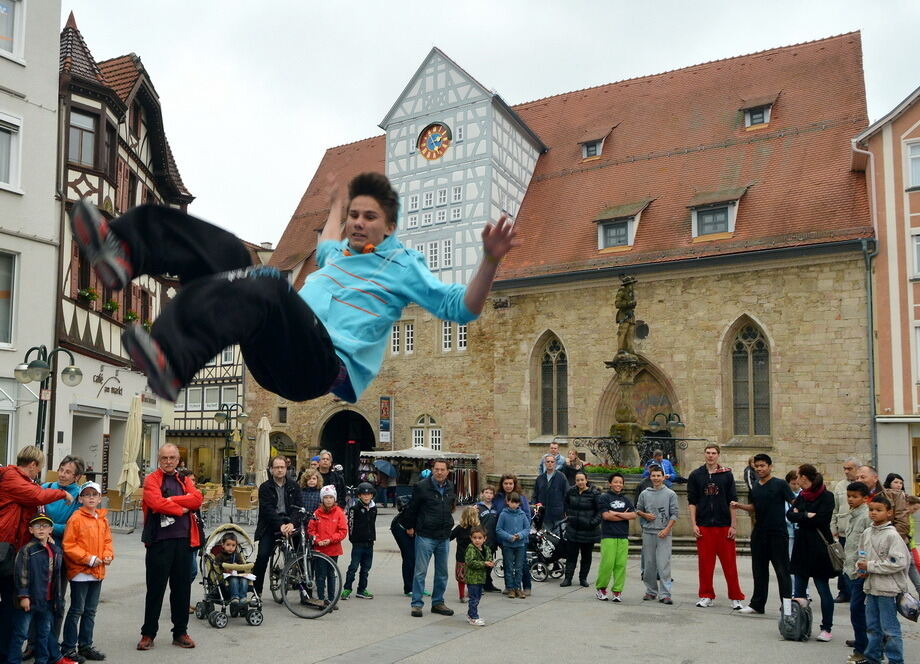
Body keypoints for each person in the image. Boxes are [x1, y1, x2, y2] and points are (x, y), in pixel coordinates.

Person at [69, 172, 517, 423]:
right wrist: (339, 200)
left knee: (271, 282)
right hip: (273, 352)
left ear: (390, 226)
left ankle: (172, 358)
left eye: (370, 218)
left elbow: (462, 308)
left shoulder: (404, 266)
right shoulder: (336, 254)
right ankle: (124, 250)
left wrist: (491, 260)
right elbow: (329, 234)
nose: (358, 224)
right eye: (355, 217)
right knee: (230, 254)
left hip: (322, 366)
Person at [0, 446, 73, 660]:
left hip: (13, 549)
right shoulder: (13, 478)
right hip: (5, 549)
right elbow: (37, 495)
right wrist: (63, 493)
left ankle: (10, 652)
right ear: (32, 465)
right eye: (38, 468)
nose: (38, 473)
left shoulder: (18, 479)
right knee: (10, 605)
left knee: (11, 606)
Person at [137, 443, 203, 651]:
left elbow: (197, 499)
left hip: (183, 541)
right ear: (159, 459)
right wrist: (182, 508)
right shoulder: (151, 479)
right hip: (159, 542)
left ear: (178, 460)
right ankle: (148, 634)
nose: (168, 461)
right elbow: (155, 503)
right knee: (155, 590)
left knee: (182, 590)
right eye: (164, 458)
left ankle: (180, 632)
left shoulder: (183, 479)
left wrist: (172, 500)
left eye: (172, 458)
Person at [731, 453, 795, 615]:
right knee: (759, 570)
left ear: (770, 467)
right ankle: (757, 604)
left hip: (778, 533)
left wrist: (805, 514)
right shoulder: (756, 486)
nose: (759, 469)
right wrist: (739, 506)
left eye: (762, 466)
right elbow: (754, 506)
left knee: (782, 571)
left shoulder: (780, 484)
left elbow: (794, 502)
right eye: (757, 466)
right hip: (759, 533)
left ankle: (787, 606)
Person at [8, 514, 73, 664]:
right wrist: (24, 596)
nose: (41, 528)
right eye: (37, 526)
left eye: (45, 526)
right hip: (29, 600)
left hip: (47, 601)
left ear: (51, 529)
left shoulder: (56, 550)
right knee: (20, 633)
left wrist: (57, 599)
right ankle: (13, 660)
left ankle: (42, 660)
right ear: (31, 530)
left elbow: (57, 577)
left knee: (44, 633)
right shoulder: (27, 550)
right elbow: (21, 574)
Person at [686, 444, 744, 609]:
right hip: (704, 526)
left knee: (730, 564)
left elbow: (732, 501)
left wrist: (733, 525)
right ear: (704, 455)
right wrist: (694, 524)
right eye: (708, 453)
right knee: (705, 564)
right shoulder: (696, 475)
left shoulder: (726, 474)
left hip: (724, 525)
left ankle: (735, 597)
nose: (711, 456)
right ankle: (706, 595)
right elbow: (692, 502)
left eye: (713, 453)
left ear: (718, 455)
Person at [60, 482, 112, 663]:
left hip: (97, 571)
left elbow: (107, 542)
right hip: (80, 571)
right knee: (77, 610)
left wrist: (107, 555)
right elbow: (69, 545)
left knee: (90, 611)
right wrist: (88, 559)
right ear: (80, 498)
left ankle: (86, 645)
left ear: (99, 498)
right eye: (87, 494)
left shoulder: (102, 519)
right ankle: (68, 647)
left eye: (94, 494)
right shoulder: (76, 518)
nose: (91, 497)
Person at [856, 494, 911, 664]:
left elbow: (898, 562)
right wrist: (861, 568)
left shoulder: (892, 536)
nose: (873, 513)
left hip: (888, 589)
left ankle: (896, 660)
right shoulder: (866, 533)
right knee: (872, 627)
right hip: (871, 586)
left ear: (889, 513)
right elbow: (862, 554)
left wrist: (870, 566)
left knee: (890, 628)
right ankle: (873, 657)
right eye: (871, 509)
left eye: (878, 510)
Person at [787, 463, 836, 642]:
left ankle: (826, 628)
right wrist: (806, 515)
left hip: (819, 547)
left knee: (823, 589)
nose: (796, 479)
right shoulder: (802, 495)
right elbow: (790, 515)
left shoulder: (827, 496)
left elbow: (822, 519)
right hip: (802, 546)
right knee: (799, 591)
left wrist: (802, 515)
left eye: (798, 476)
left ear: (804, 478)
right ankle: (799, 625)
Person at [402, 459, 456, 617]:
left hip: (443, 535)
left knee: (442, 572)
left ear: (447, 471)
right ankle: (417, 604)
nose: (439, 472)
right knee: (420, 572)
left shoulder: (450, 486)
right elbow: (413, 508)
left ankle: (438, 602)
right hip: (425, 535)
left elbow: (451, 505)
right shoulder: (422, 486)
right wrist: (410, 526)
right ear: (433, 470)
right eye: (437, 469)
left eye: (442, 469)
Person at [252, 456, 303, 597]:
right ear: (271, 469)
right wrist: (280, 525)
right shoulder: (265, 487)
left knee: (302, 553)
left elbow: (298, 508)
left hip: (290, 524)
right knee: (262, 556)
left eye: (282, 467)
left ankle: (306, 591)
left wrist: (292, 523)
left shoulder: (294, 486)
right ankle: (256, 592)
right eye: (277, 467)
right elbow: (267, 510)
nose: (280, 470)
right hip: (270, 525)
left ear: (286, 469)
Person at [635, 466, 678, 604]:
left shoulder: (670, 494)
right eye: (653, 476)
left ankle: (665, 594)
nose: (656, 478)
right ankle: (651, 591)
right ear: (650, 477)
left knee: (663, 564)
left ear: (663, 477)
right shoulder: (645, 494)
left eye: (658, 475)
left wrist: (667, 529)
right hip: (648, 532)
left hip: (663, 533)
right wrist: (645, 515)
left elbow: (674, 514)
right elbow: (638, 510)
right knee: (649, 564)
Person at [842, 481, 872, 664]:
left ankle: (862, 649)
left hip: (861, 571)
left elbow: (868, 544)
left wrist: (864, 566)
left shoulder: (867, 516)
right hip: (850, 569)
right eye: (849, 496)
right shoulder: (853, 515)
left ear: (865, 498)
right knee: (859, 610)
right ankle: (868, 643)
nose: (851, 500)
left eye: (855, 497)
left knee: (857, 610)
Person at [594, 472, 636, 601]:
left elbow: (633, 515)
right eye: (616, 482)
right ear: (610, 483)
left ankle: (617, 591)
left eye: (620, 482)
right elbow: (606, 516)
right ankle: (601, 588)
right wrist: (623, 515)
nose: (618, 484)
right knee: (607, 563)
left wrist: (615, 513)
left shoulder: (626, 499)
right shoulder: (604, 498)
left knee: (620, 565)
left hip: (623, 536)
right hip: (608, 535)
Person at [308, 486, 347, 609]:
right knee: (320, 575)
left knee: (331, 574)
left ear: (334, 498)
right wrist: (318, 540)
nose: (328, 500)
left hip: (333, 549)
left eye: (331, 497)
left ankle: (331, 600)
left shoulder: (339, 512)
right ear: (322, 499)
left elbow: (343, 531)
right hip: (320, 549)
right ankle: (321, 600)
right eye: (326, 497)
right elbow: (311, 529)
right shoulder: (317, 513)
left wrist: (330, 540)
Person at [494, 474, 532, 596]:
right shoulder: (498, 498)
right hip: (505, 538)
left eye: (511, 483)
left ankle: (525, 586)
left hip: (520, 539)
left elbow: (527, 517)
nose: (508, 486)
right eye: (506, 483)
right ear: (502, 484)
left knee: (522, 563)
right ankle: (509, 587)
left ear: (514, 484)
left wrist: (519, 534)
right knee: (508, 563)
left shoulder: (521, 498)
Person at [561, 470, 600, 588]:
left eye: (582, 480)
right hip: (573, 528)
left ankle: (583, 578)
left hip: (589, 530)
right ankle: (568, 578)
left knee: (586, 556)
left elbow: (600, 511)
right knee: (571, 556)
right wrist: (569, 517)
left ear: (586, 480)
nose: (580, 482)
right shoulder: (571, 491)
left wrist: (592, 523)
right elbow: (565, 505)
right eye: (578, 480)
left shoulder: (594, 493)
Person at [832, 457, 862, 603]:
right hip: (843, 531)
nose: (846, 471)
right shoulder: (840, 486)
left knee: (856, 561)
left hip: (859, 532)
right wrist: (833, 527)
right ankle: (843, 591)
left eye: (849, 468)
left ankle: (856, 592)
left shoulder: (863, 486)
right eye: (844, 468)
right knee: (842, 562)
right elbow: (835, 508)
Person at [341, 482, 377, 600]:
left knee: (366, 568)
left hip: (369, 542)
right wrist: (353, 539)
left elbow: (372, 524)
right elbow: (350, 524)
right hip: (358, 543)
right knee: (353, 566)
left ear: (372, 495)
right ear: (359, 496)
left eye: (369, 494)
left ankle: (361, 589)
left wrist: (372, 537)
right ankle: (347, 588)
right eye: (363, 494)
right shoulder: (354, 508)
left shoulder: (373, 508)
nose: (366, 497)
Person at [855, 466, 909, 544]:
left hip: (888, 544)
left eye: (862, 477)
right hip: (863, 545)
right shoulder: (855, 498)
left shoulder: (894, 495)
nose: (859, 480)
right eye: (857, 478)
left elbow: (902, 523)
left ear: (875, 478)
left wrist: (888, 541)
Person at [213, 532, 252, 613]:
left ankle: (243, 597)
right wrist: (225, 569)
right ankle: (235, 597)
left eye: (233, 545)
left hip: (237, 575)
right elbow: (217, 566)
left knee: (244, 580)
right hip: (226, 578)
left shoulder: (237, 555)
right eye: (228, 545)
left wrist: (237, 566)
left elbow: (241, 566)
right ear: (223, 545)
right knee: (234, 579)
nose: (231, 547)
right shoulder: (219, 556)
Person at [463, 527, 494, 626]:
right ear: (471, 538)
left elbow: (489, 557)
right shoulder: (471, 549)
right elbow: (470, 562)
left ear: (485, 539)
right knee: (474, 598)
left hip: (481, 578)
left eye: (480, 538)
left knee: (478, 597)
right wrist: (484, 563)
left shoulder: (486, 548)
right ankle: (473, 617)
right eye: (475, 538)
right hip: (472, 578)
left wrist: (490, 562)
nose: (477, 540)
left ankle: (470, 614)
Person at [450, 507, 480, 602]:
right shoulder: (477, 529)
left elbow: (449, 536)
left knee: (461, 577)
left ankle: (462, 596)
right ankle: (471, 593)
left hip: (461, 556)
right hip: (474, 556)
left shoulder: (459, 528)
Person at [532, 454, 568, 530]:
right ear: (545, 463)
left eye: (552, 461)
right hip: (543, 514)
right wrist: (535, 509)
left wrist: (566, 510)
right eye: (548, 461)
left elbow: (566, 494)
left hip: (557, 514)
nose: (550, 463)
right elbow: (535, 495)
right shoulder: (540, 478)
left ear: (555, 463)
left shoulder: (561, 477)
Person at [474, 486, 500, 592]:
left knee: (489, 563)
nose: (488, 495)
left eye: (491, 493)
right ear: (482, 494)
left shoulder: (495, 508)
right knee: (480, 563)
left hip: (492, 540)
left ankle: (488, 583)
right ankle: (478, 585)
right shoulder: (477, 508)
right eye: (486, 492)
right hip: (481, 540)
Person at [390, 496, 416, 596]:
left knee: (416, 557)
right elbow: (409, 512)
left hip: (411, 527)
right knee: (409, 556)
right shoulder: (423, 494)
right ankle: (409, 588)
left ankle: (416, 586)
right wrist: (410, 527)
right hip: (401, 526)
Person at [785, 470, 800, 559]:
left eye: (797, 484)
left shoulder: (803, 494)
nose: (796, 486)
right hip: (789, 530)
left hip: (800, 530)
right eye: (793, 484)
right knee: (789, 555)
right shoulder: (785, 495)